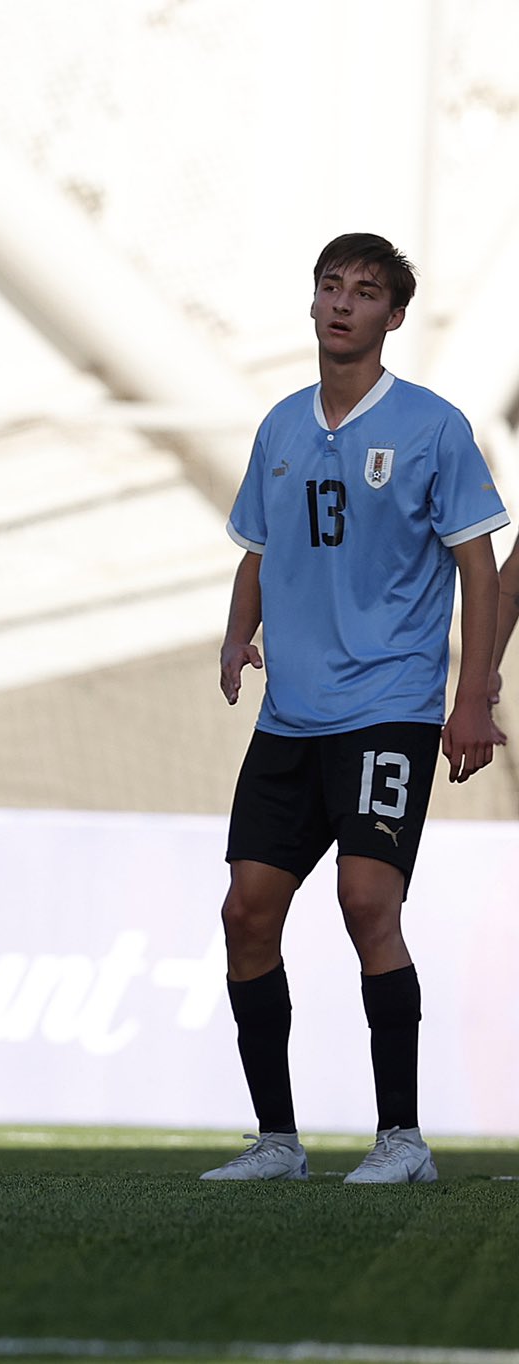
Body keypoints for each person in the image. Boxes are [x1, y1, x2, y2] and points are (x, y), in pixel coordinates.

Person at [203, 233, 506, 1185]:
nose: (342, 303)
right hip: (290, 715)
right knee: (246, 912)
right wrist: (237, 634)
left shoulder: (433, 427)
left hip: (390, 706)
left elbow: (478, 565)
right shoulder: (281, 426)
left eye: (365, 292)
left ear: (394, 317)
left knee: (367, 901)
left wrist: (472, 696)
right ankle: (277, 1143)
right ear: (313, 302)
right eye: (331, 286)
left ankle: (402, 1140)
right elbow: (257, 549)